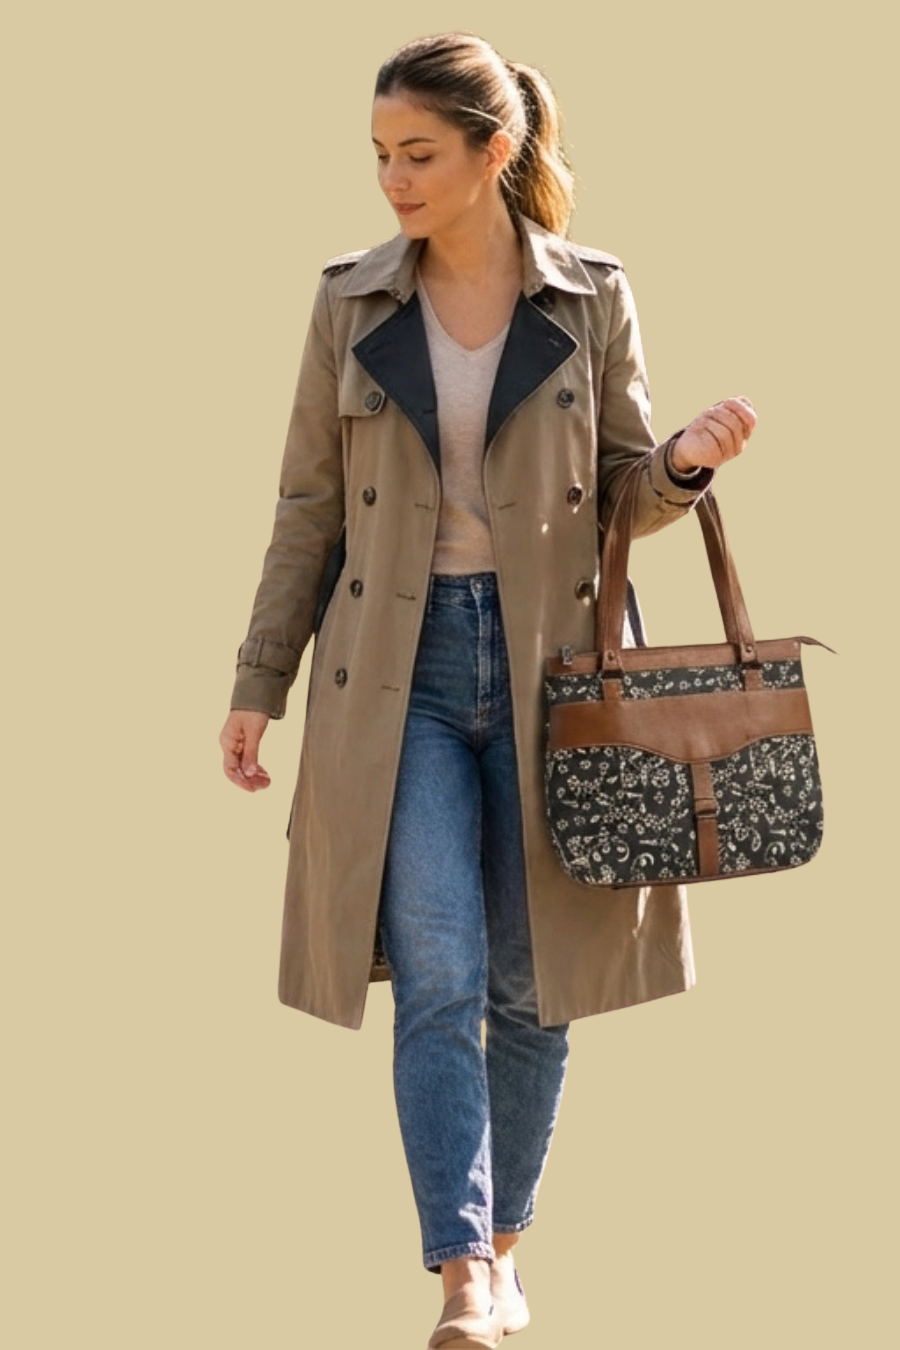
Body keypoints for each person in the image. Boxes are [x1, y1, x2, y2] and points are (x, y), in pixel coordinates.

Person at [219, 31, 756, 1350]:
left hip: (554, 673)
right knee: (442, 971)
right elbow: (305, 510)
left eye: (419, 154)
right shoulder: (350, 301)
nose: (393, 179)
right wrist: (256, 684)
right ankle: (462, 1269)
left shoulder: (590, 297)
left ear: (493, 154)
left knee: (532, 979)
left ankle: (503, 1246)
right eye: (380, 156)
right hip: (389, 674)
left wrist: (683, 463)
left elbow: (626, 489)